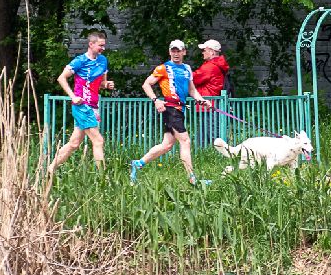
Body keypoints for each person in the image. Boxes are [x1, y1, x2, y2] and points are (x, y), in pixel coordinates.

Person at [130, 40, 210, 184]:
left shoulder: (187, 68)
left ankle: (138, 163)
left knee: (166, 145)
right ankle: (192, 178)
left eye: (178, 51)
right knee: (185, 141)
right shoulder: (163, 68)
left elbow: (192, 90)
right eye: (173, 51)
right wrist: (156, 100)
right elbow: (146, 84)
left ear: (184, 52)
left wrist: (202, 100)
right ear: (169, 52)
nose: (176, 53)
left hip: (180, 109)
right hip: (171, 109)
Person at [48, 31, 116, 173]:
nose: (103, 48)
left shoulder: (103, 60)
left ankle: (50, 169)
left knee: (74, 144)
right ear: (91, 44)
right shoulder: (79, 61)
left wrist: (107, 84)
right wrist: (73, 96)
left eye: (104, 45)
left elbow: (101, 83)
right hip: (82, 106)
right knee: (98, 141)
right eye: (100, 45)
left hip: (94, 105)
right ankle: (103, 178)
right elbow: (61, 78)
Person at [191, 39, 230, 148]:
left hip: (209, 104)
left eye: (204, 50)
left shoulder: (210, 67)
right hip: (210, 104)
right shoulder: (215, 65)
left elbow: (193, 79)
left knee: (213, 136)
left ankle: (220, 155)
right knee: (204, 136)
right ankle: (205, 155)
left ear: (212, 52)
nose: (202, 52)